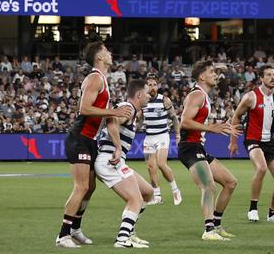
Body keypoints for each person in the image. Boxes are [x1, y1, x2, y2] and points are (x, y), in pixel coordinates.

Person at [57, 41, 135, 249]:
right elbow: (84, 108)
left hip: (89, 140)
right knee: (81, 186)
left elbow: (108, 119)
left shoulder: (102, 80)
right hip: (80, 138)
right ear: (99, 57)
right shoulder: (94, 78)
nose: (110, 53)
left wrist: (118, 146)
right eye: (106, 51)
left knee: (90, 188)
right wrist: (114, 112)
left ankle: (75, 229)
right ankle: (63, 235)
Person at [229, 64, 274, 223]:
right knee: (261, 168)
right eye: (268, 75)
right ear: (261, 78)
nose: (273, 77)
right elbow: (236, 118)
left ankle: (272, 214)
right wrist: (233, 141)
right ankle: (253, 209)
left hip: (269, 141)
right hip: (252, 139)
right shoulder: (250, 97)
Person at [179, 60, 240, 241]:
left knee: (230, 182)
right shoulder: (196, 95)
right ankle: (208, 230)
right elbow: (184, 122)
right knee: (208, 186)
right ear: (201, 76)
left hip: (198, 147)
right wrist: (212, 128)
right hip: (190, 147)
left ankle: (216, 225)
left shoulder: (203, 95)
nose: (215, 74)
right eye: (211, 71)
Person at [94, 79, 156, 249]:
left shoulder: (132, 111)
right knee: (135, 198)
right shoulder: (128, 108)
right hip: (109, 160)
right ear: (138, 95)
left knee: (148, 192)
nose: (149, 96)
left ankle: (129, 232)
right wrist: (118, 147)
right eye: (147, 93)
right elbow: (112, 120)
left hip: (113, 161)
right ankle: (122, 239)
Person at [141, 76, 183, 206]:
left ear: (157, 86)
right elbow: (138, 117)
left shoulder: (164, 100)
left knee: (161, 163)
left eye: (154, 84)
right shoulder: (142, 101)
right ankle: (157, 196)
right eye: (150, 84)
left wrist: (177, 135)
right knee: (150, 167)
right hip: (149, 137)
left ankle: (175, 190)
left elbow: (174, 119)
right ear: (146, 87)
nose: (152, 87)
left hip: (162, 136)